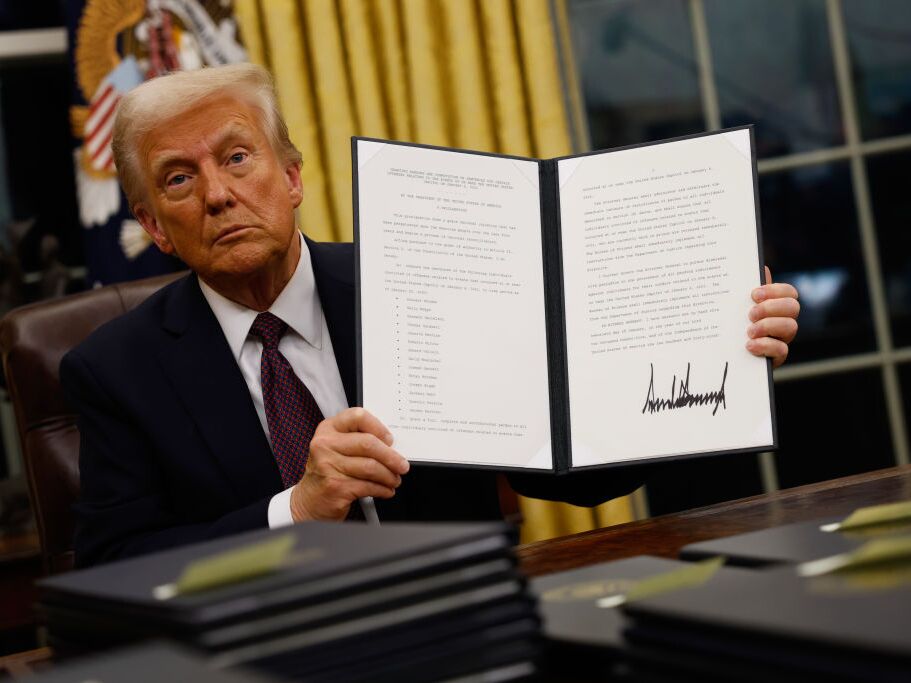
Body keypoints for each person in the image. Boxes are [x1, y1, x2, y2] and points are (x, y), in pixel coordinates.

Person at [61, 64, 800, 567]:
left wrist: (718, 356)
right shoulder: (115, 369)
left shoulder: (422, 279)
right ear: (155, 226)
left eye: (237, 158)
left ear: (291, 179)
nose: (217, 194)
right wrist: (298, 508)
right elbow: (114, 566)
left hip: (466, 624)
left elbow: (565, 472)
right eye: (180, 179)